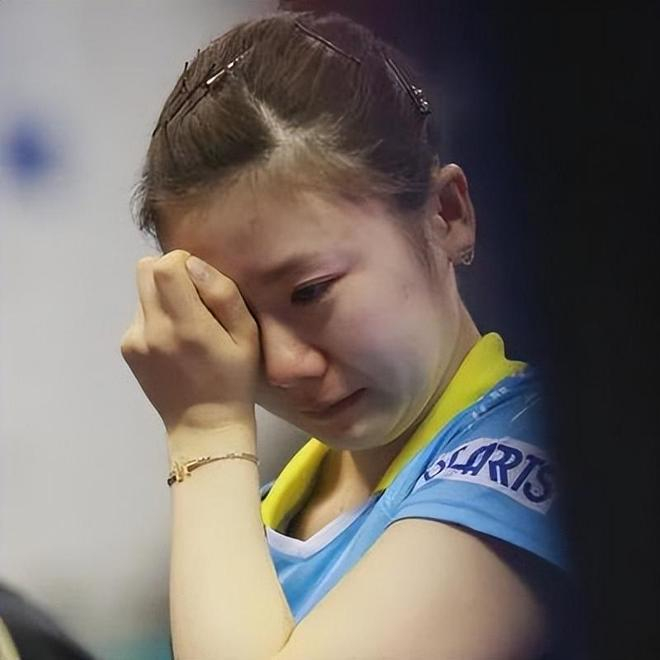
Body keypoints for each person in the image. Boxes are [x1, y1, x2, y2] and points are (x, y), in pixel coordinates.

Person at [120, 11, 574, 659]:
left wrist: (205, 430)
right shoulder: (278, 504)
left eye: (310, 292)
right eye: (234, 315)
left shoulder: (530, 459)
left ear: (446, 214)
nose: (285, 365)